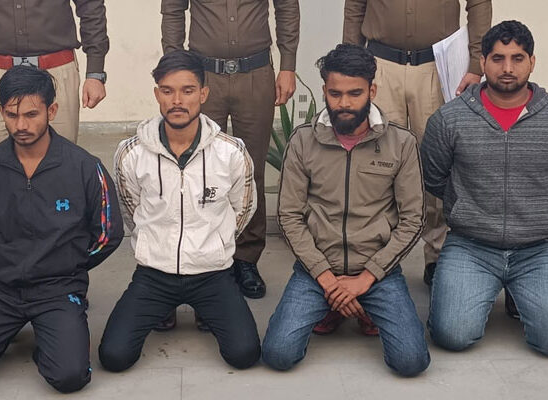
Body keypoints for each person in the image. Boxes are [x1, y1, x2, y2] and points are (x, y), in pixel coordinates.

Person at [261, 44, 429, 376]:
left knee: (411, 362)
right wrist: (327, 279)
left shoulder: (401, 143)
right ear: (324, 90)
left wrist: (365, 279)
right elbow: (289, 216)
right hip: (316, 271)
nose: (345, 103)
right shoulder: (303, 141)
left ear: (372, 91)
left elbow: (413, 220)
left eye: (355, 93)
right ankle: (337, 304)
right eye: (335, 94)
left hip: (377, 272)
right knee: (278, 354)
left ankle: (357, 303)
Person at [99, 50, 261, 371]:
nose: (177, 101)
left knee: (244, 354)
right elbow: (131, 210)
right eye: (167, 90)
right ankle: (164, 307)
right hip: (154, 275)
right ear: (157, 94)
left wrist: (214, 244)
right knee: (114, 357)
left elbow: (242, 209)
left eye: (187, 91)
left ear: (203, 94)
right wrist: (155, 244)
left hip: (212, 274)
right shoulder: (131, 153)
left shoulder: (231, 152)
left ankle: (205, 307)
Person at [342, 0, 492, 292]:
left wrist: (476, 63)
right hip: (380, 65)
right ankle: (373, 257)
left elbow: (479, 4)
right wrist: (350, 62)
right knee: (375, 164)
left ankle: (437, 255)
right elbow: (355, 5)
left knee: (438, 162)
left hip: (437, 65)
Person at [160, 0, 300, 306]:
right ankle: (206, 259)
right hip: (203, 76)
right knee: (200, 171)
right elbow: (173, 9)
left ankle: (246, 259)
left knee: (251, 170)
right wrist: (174, 66)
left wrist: (288, 65)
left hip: (256, 74)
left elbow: (287, 6)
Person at [421, 20, 548, 354]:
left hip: (539, 248)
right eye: (497, 58)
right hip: (471, 246)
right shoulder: (449, 119)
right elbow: (434, 178)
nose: (507, 68)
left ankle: (521, 292)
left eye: (517, 58)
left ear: (532, 62)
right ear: (482, 62)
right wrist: (468, 209)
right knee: (452, 335)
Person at [0, 66, 123, 393]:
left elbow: (109, 233)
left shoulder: (84, 167)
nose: (21, 125)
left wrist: (69, 265)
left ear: (51, 111)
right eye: (11, 115)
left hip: (57, 290)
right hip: (2, 289)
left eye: (31, 114)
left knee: (70, 376)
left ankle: (53, 339)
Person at [0, 0, 109, 144]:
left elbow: (91, 7)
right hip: (0, 71)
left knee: (61, 151)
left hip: (57, 71)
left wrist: (95, 73)